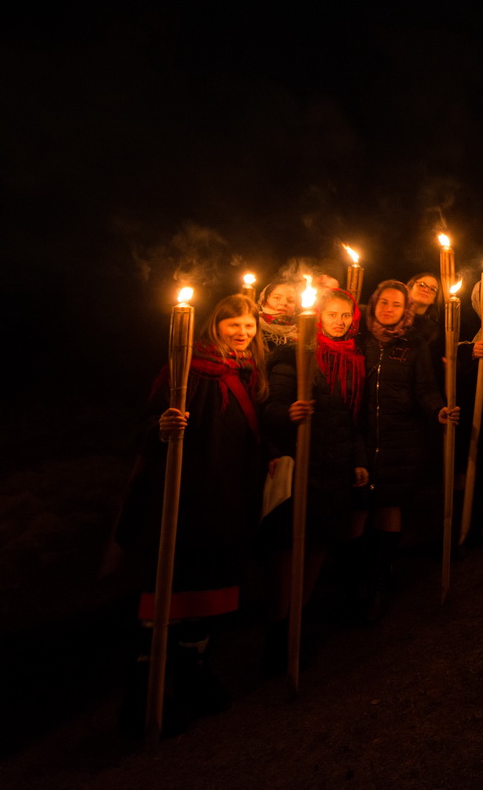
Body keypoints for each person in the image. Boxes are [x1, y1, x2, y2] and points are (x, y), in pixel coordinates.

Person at [115, 293, 270, 733]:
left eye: (249, 326)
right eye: (233, 325)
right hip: (184, 499)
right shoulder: (187, 369)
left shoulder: (251, 371)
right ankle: (144, 691)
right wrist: (161, 427)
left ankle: (193, 674)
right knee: (168, 591)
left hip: (228, 499)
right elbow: (146, 425)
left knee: (210, 592)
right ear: (214, 327)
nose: (242, 333)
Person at [263, 287, 366, 656]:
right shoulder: (293, 354)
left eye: (345, 315)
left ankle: (300, 618)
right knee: (291, 547)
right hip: (302, 462)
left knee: (321, 542)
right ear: (318, 316)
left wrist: (358, 460)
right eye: (332, 314)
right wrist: (288, 413)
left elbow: (352, 416)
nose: (339, 321)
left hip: (335, 466)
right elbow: (272, 406)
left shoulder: (354, 359)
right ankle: (279, 628)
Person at [357, 279, 456, 615]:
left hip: (400, 439)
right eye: (383, 302)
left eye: (396, 304)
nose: (389, 309)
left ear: (406, 310)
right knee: (357, 511)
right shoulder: (359, 341)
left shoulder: (413, 345)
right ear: (373, 304)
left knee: (388, 506)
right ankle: (354, 582)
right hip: (362, 437)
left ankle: (379, 582)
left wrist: (438, 410)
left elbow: (425, 388)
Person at [256, 278, 303, 350]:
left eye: (290, 300)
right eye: (277, 298)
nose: (284, 303)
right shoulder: (254, 326)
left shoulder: (301, 332)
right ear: (264, 301)